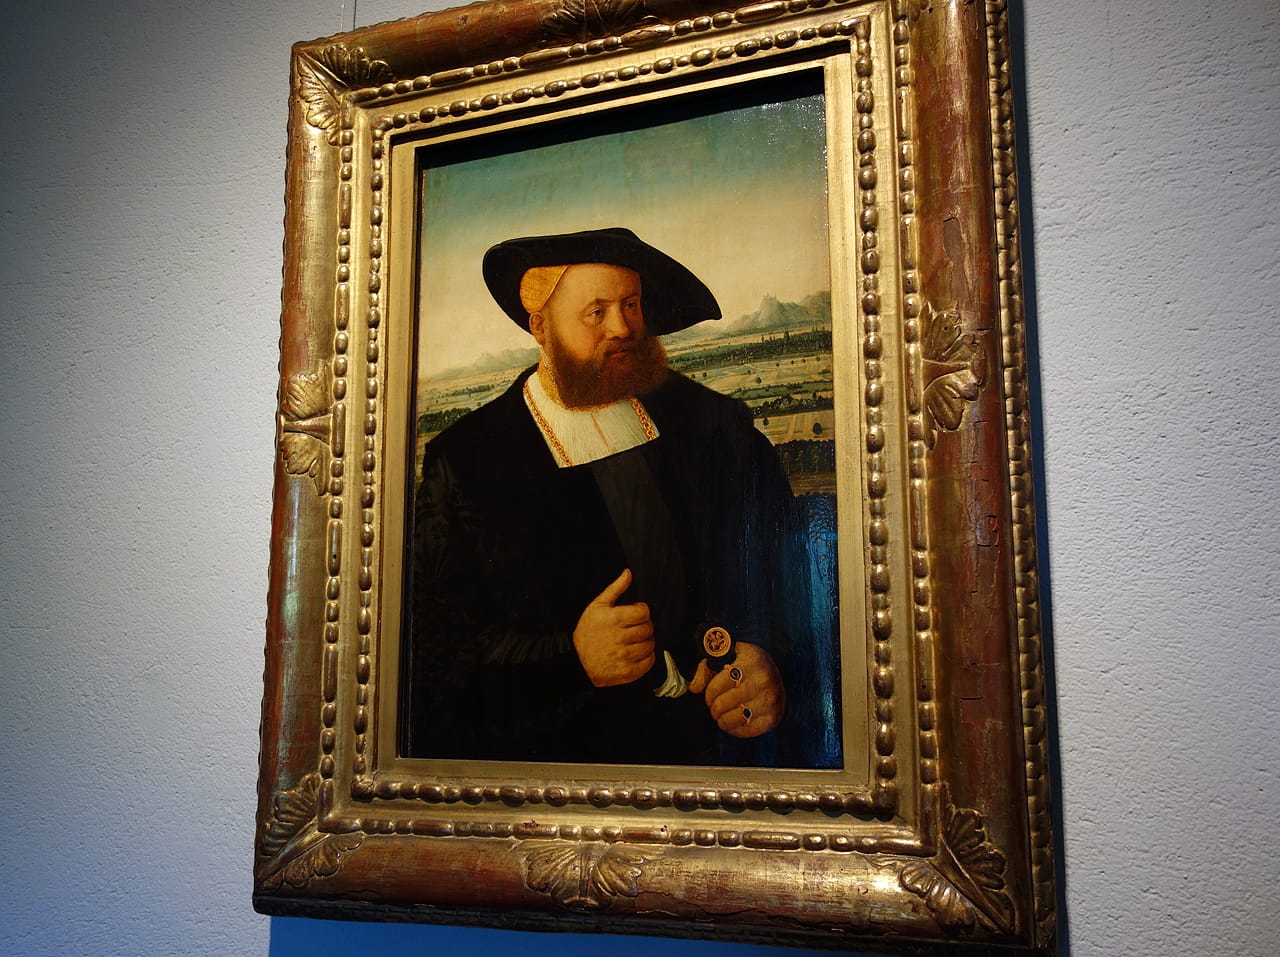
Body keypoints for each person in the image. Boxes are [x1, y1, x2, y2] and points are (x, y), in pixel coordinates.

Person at [403, 227, 805, 766]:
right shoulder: (466, 462)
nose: (623, 328)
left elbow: (785, 566)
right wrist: (571, 658)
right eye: (596, 312)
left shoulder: (713, 424)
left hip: (720, 755)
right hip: (572, 770)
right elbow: (433, 663)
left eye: (631, 305)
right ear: (540, 328)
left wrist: (765, 654)